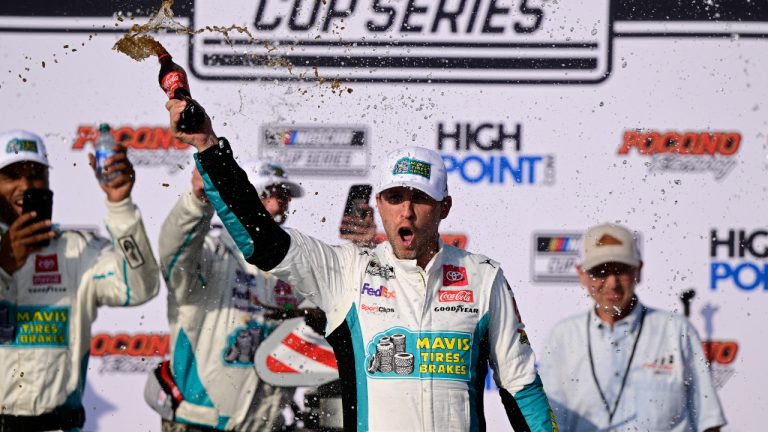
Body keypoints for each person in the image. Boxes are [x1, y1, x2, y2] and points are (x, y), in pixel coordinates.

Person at [164, 100, 558, 432]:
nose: (407, 210)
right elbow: (262, 240)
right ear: (380, 206)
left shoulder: (484, 276)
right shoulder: (348, 270)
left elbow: (521, 387)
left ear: (444, 208)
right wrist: (207, 144)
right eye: (395, 196)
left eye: (420, 198)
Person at [153, 161, 376, 432]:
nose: (279, 204)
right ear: (245, 197)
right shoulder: (211, 255)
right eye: (269, 193)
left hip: (266, 424)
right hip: (199, 421)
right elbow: (173, 252)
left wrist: (361, 248)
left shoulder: (291, 271)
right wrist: (197, 200)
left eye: (284, 196)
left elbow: (339, 311)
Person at [0, 129, 160, 431]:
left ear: (48, 182)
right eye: (12, 176)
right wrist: (3, 264)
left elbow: (140, 288)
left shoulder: (75, 249)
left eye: (36, 175)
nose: (25, 185)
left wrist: (121, 205)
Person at [539, 223, 726, 432]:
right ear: (582, 274)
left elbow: (708, 422)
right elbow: (547, 421)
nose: (612, 283)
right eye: (600, 271)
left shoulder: (676, 331)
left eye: (621, 270)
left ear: (638, 270)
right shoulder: (563, 338)